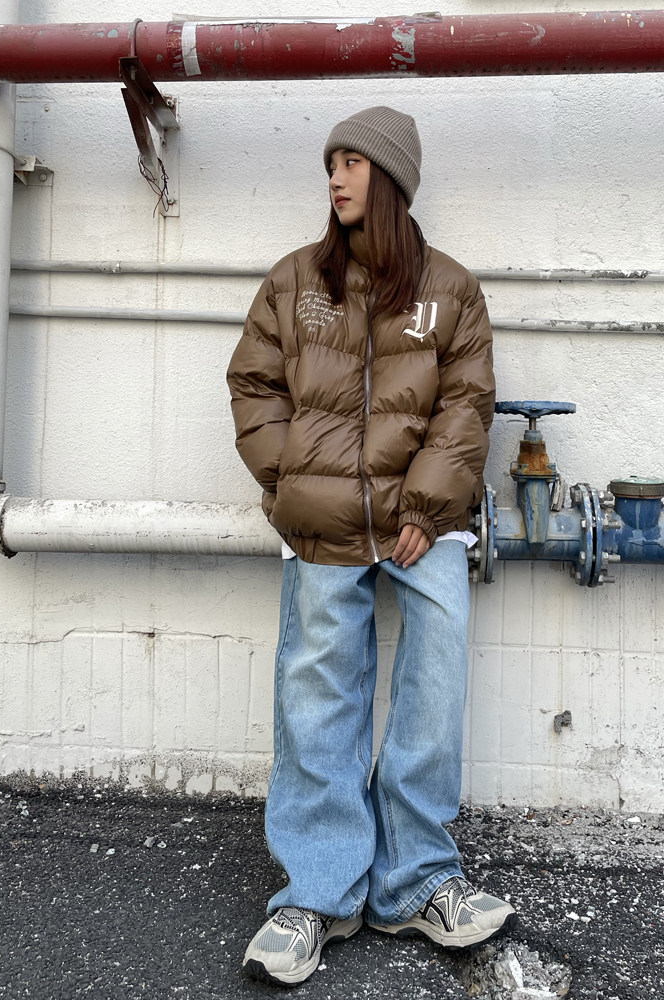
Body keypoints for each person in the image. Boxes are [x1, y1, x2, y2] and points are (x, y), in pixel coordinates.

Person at [227, 105, 514, 987]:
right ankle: (318, 894)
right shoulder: (295, 282)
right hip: (319, 523)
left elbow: (466, 403)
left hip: (424, 521)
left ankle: (416, 881)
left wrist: (427, 501)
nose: (335, 177)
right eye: (332, 162)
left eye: (352, 162)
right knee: (317, 693)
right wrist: (287, 483)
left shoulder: (451, 291)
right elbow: (253, 384)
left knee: (436, 679)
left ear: (389, 179)